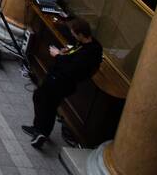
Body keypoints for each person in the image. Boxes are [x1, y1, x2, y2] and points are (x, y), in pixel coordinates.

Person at [23, 18, 103, 149]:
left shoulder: (86, 54)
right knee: (50, 105)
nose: (73, 36)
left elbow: (71, 68)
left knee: (41, 99)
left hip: (59, 81)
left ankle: (40, 131)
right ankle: (42, 131)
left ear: (81, 35)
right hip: (65, 83)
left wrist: (58, 55)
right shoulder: (93, 46)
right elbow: (75, 58)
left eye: (74, 34)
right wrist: (66, 53)